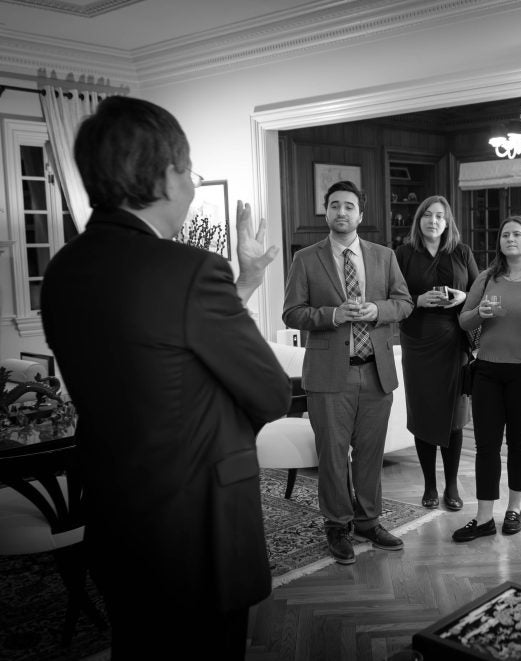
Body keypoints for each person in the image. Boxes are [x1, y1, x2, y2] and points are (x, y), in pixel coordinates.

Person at [40, 96, 292, 659]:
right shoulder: (188, 269)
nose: (193, 185)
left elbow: (161, 353)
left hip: (115, 509)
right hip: (197, 525)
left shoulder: (63, 270)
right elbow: (273, 393)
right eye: (190, 170)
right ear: (166, 175)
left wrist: (246, 280)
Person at [283, 180, 413, 564]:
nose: (342, 212)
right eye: (335, 205)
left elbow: (404, 303)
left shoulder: (384, 256)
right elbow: (291, 312)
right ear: (326, 211)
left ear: (361, 214)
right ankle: (337, 525)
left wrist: (378, 310)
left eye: (349, 206)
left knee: (370, 454)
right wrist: (333, 315)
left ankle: (368, 521)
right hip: (328, 375)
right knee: (333, 454)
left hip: (375, 371)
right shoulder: (306, 259)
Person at [451, 216, 521, 542]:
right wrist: (481, 314)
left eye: (517, 234)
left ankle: (514, 509)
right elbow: (464, 321)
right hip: (488, 371)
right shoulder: (487, 277)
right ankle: (483, 518)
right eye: (505, 234)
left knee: (520, 442)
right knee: (486, 445)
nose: (510, 238)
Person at [396, 195, 479, 511]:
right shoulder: (403, 254)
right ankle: (430, 485)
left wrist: (462, 296)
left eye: (440, 216)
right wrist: (418, 301)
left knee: (454, 416)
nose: (433, 221)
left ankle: (452, 485)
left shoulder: (461, 252)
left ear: (448, 222)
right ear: (419, 220)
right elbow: (391, 295)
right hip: (417, 343)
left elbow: (479, 292)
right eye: (427, 215)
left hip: (453, 342)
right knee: (423, 413)